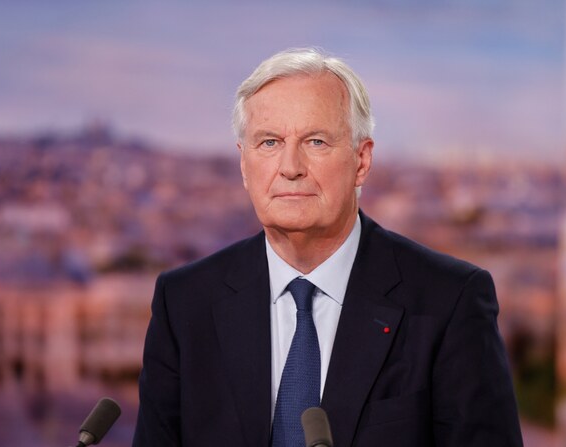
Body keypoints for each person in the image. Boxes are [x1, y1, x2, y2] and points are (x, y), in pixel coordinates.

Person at [132, 47, 523, 447]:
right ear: (243, 165)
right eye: (268, 143)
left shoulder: (449, 301)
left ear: (362, 161)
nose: (290, 167)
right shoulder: (184, 302)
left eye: (316, 142)